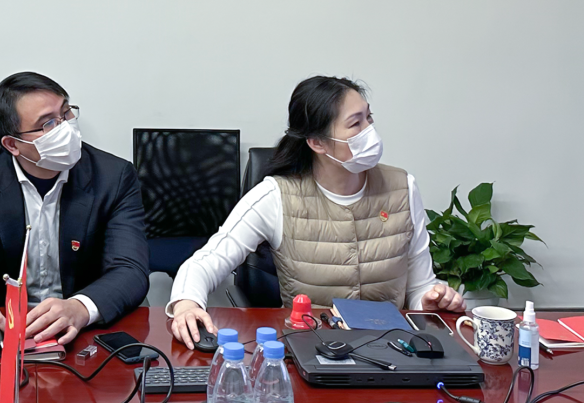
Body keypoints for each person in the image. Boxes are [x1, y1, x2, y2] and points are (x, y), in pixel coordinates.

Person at [168, 76, 465, 349]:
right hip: (311, 348)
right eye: (355, 124)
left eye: (369, 118)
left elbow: (421, 285)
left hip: (393, 349)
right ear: (317, 142)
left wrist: (429, 300)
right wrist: (186, 304)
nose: (369, 131)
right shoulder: (277, 196)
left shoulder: (403, 187)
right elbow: (206, 262)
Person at [0, 72, 149, 357]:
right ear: (12, 145)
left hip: (84, 339)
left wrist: (80, 307)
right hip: (0, 334)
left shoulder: (114, 177)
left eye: (66, 113)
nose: (65, 128)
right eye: (48, 123)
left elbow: (130, 269)